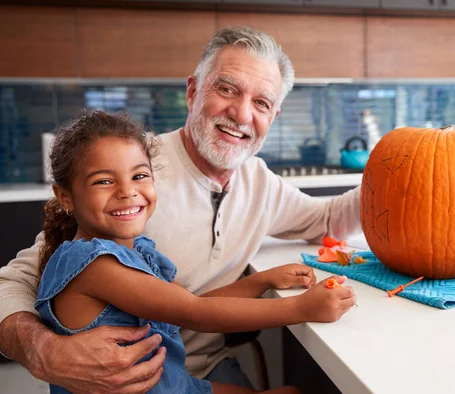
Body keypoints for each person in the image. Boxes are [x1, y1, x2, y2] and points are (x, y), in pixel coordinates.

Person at [0, 27, 362, 393]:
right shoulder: (134, 175)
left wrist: (393, 174)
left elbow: (327, 219)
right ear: (192, 91)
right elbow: (15, 282)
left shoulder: (259, 182)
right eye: (226, 89)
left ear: (274, 115)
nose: (240, 113)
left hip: (191, 374)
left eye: (261, 103)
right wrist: (42, 349)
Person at [35, 109, 354, 394]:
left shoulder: (137, 252)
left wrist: (263, 281)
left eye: (139, 176)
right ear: (65, 197)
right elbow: (194, 314)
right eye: (104, 181)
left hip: (173, 385)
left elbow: (194, 304)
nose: (128, 191)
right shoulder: (95, 265)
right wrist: (301, 309)